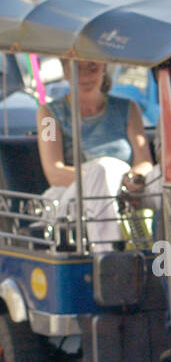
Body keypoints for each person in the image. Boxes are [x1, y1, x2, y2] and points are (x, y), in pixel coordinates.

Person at [36, 58, 156, 250]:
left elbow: (144, 161)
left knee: (162, 178)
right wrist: (103, 178)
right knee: (103, 168)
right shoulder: (48, 115)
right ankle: (108, 254)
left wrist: (134, 178)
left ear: (104, 68)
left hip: (125, 188)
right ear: (66, 72)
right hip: (73, 196)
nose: (85, 75)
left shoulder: (129, 108)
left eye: (92, 67)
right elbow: (54, 172)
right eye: (77, 68)